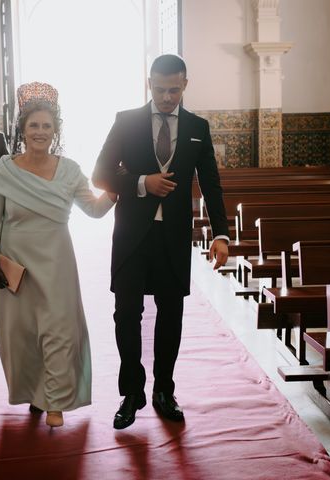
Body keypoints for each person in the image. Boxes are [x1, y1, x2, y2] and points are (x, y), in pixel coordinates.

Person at [92, 54, 230, 429]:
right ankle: (131, 393)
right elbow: (100, 174)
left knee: (171, 316)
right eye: (159, 89)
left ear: (185, 84)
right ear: (148, 84)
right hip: (132, 236)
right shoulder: (126, 121)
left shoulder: (198, 127)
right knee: (127, 315)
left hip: (173, 238)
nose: (167, 97)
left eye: (174, 89)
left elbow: (212, 185)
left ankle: (164, 390)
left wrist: (221, 233)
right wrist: (141, 182)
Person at [0, 82, 115, 428]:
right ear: (23, 130)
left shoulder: (70, 170)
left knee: (60, 329)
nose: (40, 131)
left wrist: (117, 189)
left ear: (55, 131)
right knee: (22, 336)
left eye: (46, 126)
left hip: (57, 262)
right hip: (15, 263)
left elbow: (94, 210)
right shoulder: (4, 170)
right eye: (33, 125)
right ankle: (34, 393)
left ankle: (55, 401)